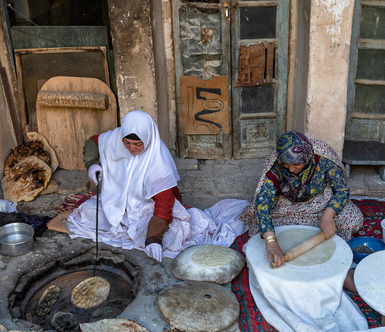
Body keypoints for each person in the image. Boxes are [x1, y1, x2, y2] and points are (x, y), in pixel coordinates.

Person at [66, 110, 246, 260]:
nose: (131, 149)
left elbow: (164, 204)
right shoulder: (115, 138)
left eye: (137, 144)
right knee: (85, 214)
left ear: (148, 139)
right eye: (127, 143)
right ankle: (126, 226)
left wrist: (154, 238)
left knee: (173, 237)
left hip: (147, 207)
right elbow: (93, 141)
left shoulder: (157, 161)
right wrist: (92, 164)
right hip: (117, 201)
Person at [242, 131, 363, 268]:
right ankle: (310, 226)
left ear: (307, 158)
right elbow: (263, 202)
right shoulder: (276, 162)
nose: (291, 169)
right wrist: (271, 241)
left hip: (319, 203)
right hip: (286, 206)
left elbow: (342, 189)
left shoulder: (323, 157)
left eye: (296, 165)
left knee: (354, 219)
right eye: (287, 166)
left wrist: (329, 214)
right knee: (261, 224)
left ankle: (320, 221)